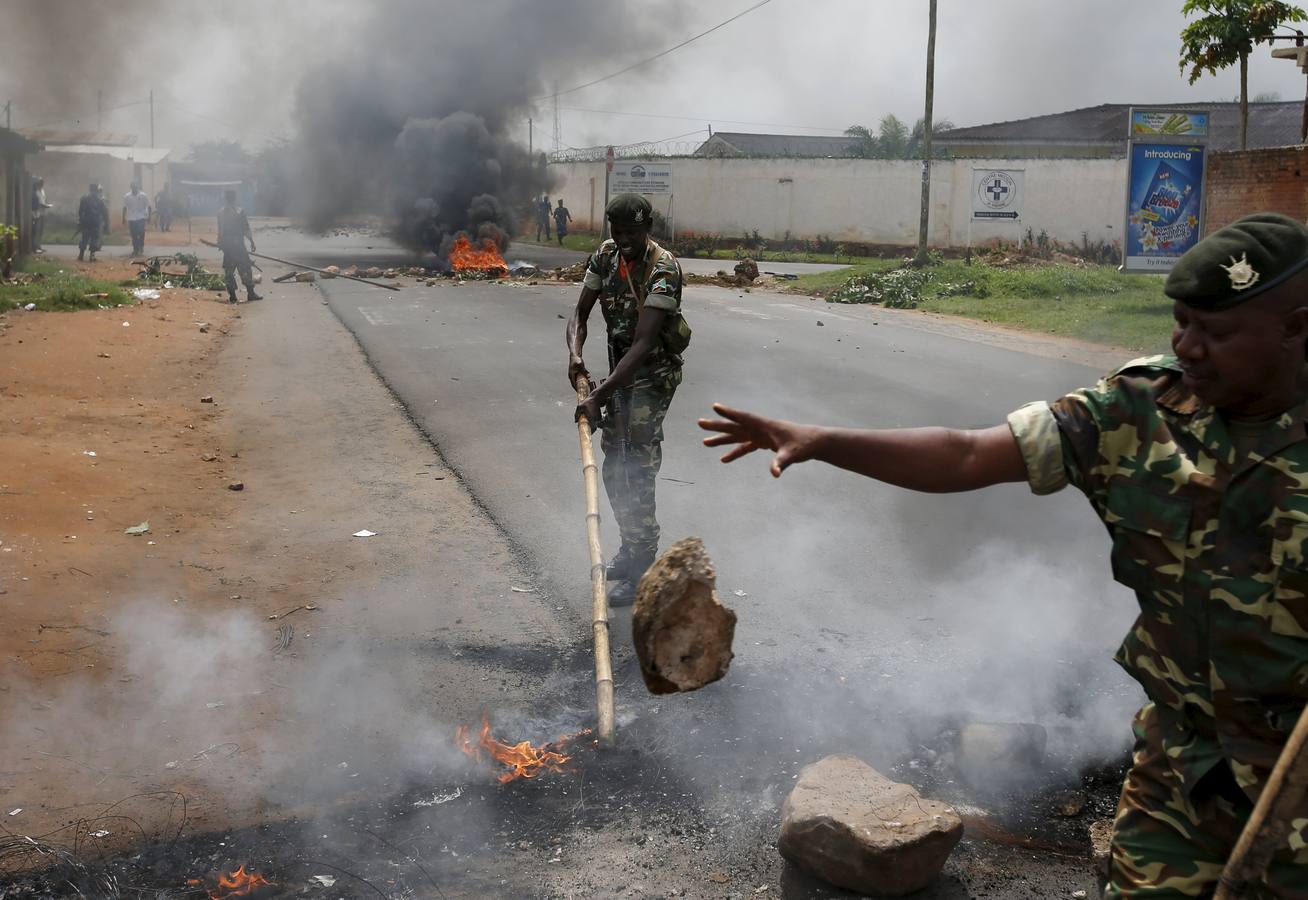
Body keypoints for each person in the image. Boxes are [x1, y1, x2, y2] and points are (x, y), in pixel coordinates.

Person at [699, 212, 1308, 898]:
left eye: (1217, 333)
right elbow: (966, 453)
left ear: (1296, 327)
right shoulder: (1140, 409)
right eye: (1181, 322)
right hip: (1184, 763)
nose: (1188, 347)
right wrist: (823, 440)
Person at [568, 193, 692, 606]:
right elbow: (580, 314)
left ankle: (643, 566)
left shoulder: (663, 269)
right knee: (613, 463)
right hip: (619, 374)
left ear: (648, 229)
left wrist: (597, 395)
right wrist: (575, 357)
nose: (623, 239)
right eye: (617, 231)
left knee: (636, 464)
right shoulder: (605, 256)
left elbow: (642, 343)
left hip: (652, 376)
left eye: (632, 233)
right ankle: (630, 549)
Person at [216, 189, 261, 304]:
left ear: (225, 198)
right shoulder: (240, 211)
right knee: (245, 268)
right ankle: (251, 294)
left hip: (228, 246)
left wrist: (220, 242)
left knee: (229, 271)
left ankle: (232, 296)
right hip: (238, 245)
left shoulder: (220, 212)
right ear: (235, 198)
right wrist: (251, 241)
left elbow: (220, 230)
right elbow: (245, 228)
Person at [76, 182, 109, 262]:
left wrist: (81, 220)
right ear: (97, 190)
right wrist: (106, 223)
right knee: (94, 238)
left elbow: (80, 211)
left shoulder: (84, 198)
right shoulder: (100, 199)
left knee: (84, 237)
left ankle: (81, 255)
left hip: (86, 221)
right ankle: (92, 256)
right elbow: (104, 211)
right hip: (95, 221)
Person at [122, 181, 150, 256]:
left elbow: (148, 206)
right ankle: (135, 249)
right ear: (131, 187)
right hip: (131, 218)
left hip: (141, 217)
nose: (134, 188)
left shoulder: (143, 195)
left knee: (141, 233)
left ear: (138, 187)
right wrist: (123, 218)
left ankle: (141, 246)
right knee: (133, 234)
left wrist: (149, 217)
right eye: (133, 187)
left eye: (136, 187)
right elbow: (124, 207)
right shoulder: (127, 196)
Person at [30, 177, 52, 253]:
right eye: (40, 183)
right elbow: (36, 203)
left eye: (42, 183)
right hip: (36, 213)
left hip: (42, 213)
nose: (41, 184)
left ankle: (39, 246)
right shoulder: (34, 192)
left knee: (40, 231)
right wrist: (44, 205)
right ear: (37, 184)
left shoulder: (42, 191)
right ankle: (35, 247)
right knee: (36, 231)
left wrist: (46, 204)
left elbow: (44, 200)